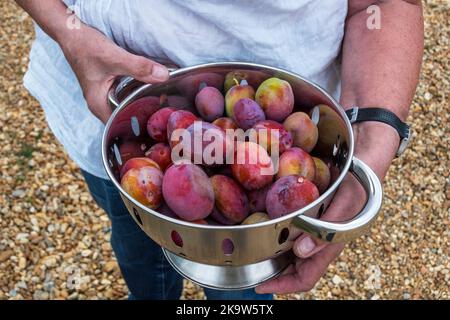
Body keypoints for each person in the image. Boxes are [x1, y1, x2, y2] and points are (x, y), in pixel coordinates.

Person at [16, 0, 424, 299]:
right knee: (135, 241)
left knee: (244, 292)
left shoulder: (269, 153)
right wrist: (67, 29)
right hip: (108, 118)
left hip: (286, 123)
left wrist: (374, 140)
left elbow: (385, 4)